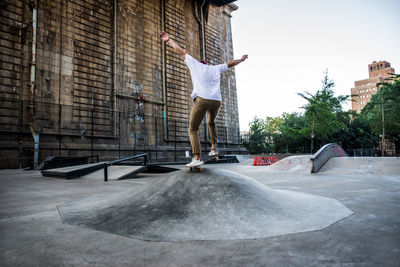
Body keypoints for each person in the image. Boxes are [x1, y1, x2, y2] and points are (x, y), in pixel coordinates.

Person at [160, 31, 248, 167]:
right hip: (216, 101)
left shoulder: (195, 64)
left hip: (203, 99)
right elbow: (230, 63)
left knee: (193, 129)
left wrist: (168, 40)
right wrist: (241, 60)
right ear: (206, 64)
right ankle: (213, 148)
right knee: (211, 122)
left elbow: (181, 52)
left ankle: (197, 157)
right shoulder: (215, 68)